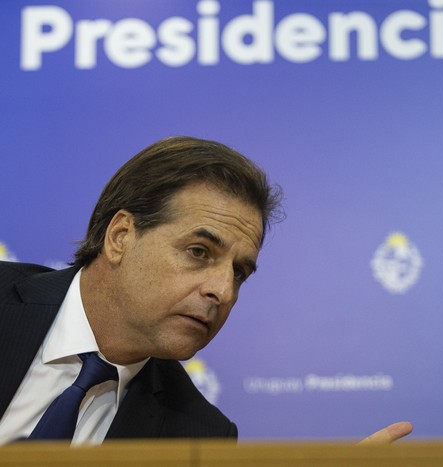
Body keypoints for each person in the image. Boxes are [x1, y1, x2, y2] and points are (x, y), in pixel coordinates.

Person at [0, 136, 412, 445]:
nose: (223, 291)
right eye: (199, 252)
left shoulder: (200, 436)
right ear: (121, 236)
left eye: (239, 272)